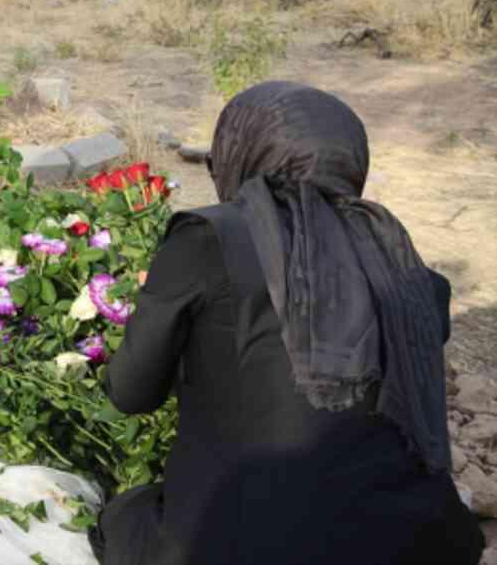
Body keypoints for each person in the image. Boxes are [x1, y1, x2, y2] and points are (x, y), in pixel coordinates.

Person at [92, 81, 483, 565]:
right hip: (416, 542)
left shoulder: (207, 239)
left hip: (247, 542)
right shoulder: (409, 270)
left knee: (126, 516)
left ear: (241, 152)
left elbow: (130, 393)